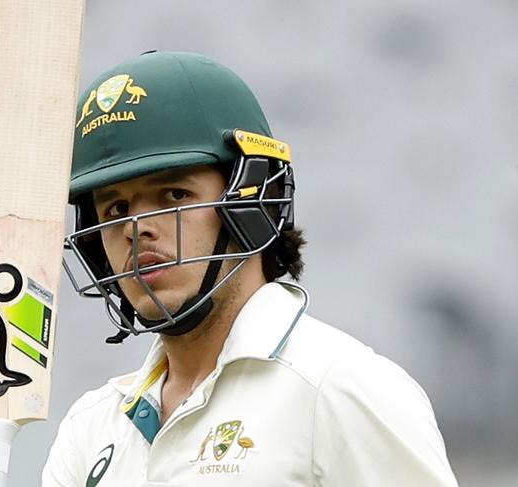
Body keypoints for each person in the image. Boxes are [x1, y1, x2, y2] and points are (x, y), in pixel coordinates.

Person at [43, 51, 458, 487]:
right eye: (117, 207)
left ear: (250, 201)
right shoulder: (91, 428)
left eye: (173, 195)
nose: (137, 228)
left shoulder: (342, 389)